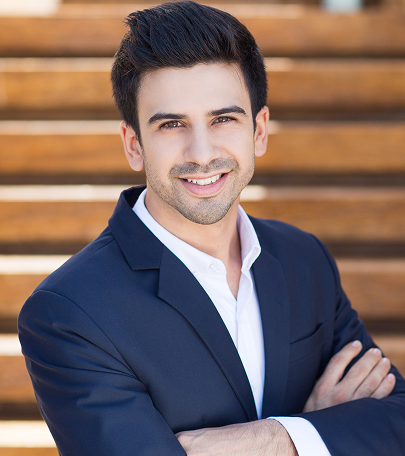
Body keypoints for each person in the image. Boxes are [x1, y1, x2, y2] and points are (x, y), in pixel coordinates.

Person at [18, 2, 405, 455]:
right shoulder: (69, 314)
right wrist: (320, 427)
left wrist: (281, 438)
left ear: (259, 130)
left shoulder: (304, 259)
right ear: (133, 144)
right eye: (172, 124)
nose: (201, 153)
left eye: (223, 119)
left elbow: (396, 419)